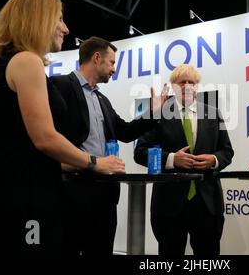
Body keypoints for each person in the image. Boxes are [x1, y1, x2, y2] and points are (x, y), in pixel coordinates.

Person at [0, 0, 124, 255]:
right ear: (37, 19)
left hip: (10, 192)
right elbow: (44, 138)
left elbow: (24, 145)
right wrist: (95, 162)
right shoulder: (27, 61)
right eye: (59, 19)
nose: (65, 28)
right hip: (20, 199)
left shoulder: (9, 63)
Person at [50, 36, 167, 255]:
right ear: (96, 58)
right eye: (112, 63)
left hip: (104, 194)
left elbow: (124, 131)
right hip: (71, 192)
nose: (114, 69)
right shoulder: (59, 86)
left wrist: (154, 112)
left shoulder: (102, 100)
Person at [134, 64, 234, 256]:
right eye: (182, 82)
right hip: (169, 203)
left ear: (197, 86)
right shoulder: (158, 113)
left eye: (192, 82)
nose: (187, 86)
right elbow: (140, 152)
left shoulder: (213, 113)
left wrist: (213, 160)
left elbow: (227, 151)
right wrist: (172, 159)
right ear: (173, 86)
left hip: (207, 203)